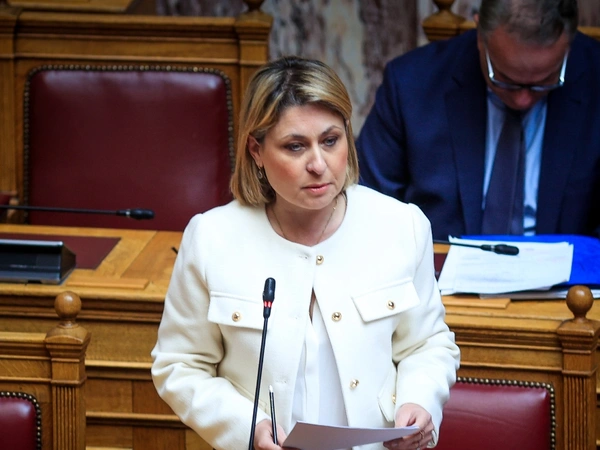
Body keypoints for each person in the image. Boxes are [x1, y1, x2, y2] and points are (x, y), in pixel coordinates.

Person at [151, 56, 460, 450]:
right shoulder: (212, 238)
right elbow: (180, 365)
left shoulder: (402, 226)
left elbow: (426, 344)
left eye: (330, 141)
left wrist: (419, 400)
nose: (318, 164)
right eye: (295, 146)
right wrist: (248, 428)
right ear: (256, 150)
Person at [356, 0, 600, 241]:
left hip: (572, 266)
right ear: (480, 36)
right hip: (438, 260)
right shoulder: (412, 84)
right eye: (505, 79)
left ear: (568, 47)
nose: (523, 100)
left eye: (543, 81)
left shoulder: (595, 77)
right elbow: (366, 203)